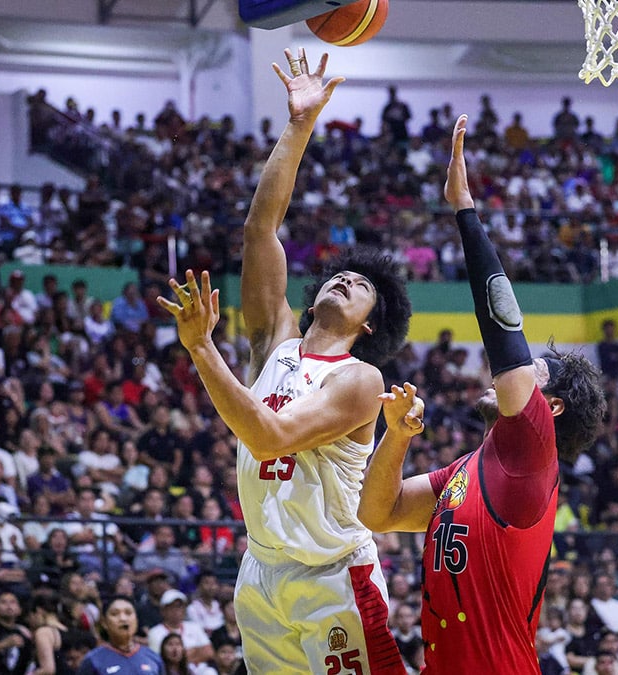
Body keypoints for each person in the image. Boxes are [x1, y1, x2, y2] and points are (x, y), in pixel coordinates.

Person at [156, 48, 410, 675]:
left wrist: (202, 348)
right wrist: (299, 125)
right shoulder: (275, 341)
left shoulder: (360, 380)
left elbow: (267, 437)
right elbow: (261, 231)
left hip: (333, 577)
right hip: (262, 569)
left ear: (369, 323)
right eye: (340, 274)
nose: (344, 279)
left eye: (361, 286)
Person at [357, 114, 605, 674]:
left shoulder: (533, 450)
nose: (504, 374)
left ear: (552, 407)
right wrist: (396, 437)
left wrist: (464, 210)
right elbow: (379, 511)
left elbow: (501, 321)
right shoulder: (471, 468)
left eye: (531, 371)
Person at [76, 597, 163, 675]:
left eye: (128, 613)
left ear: (136, 620)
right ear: (104, 623)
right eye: (115, 614)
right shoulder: (93, 660)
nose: (123, 618)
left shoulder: (153, 657)